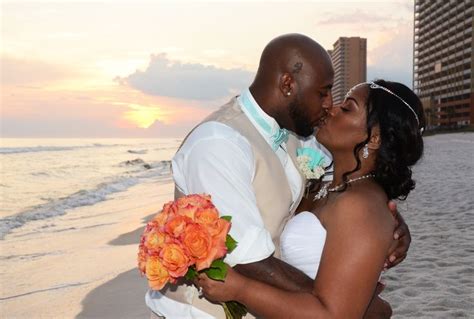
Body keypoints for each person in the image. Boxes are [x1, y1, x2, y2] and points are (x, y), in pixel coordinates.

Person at [145, 34, 411, 318]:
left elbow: (355, 179)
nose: (328, 105)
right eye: (322, 92)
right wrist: (356, 305)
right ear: (287, 85)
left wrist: (389, 224)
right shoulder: (219, 142)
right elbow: (248, 259)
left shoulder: (302, 135)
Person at [197, 79, 425, 318]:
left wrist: (241, 290)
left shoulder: (360, 205)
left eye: (347, 108)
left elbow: (333, 315)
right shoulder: (329, 187)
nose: (332, 109)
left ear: (375, 138)